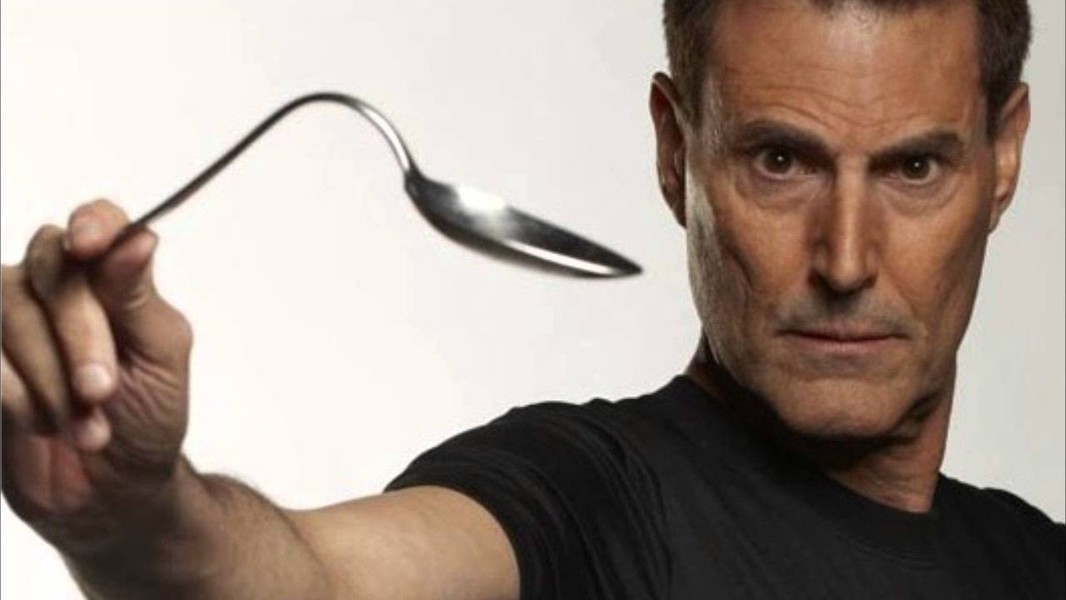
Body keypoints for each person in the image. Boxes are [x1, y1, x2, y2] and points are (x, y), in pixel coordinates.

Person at [1, 0, 1062, 597]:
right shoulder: (591, 503)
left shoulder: (1034, 561)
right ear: (675, 150)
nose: (846, 258)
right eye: (779, 161)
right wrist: (136, 517)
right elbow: (317, 583)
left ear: (1003, 156)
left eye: (913, 168)